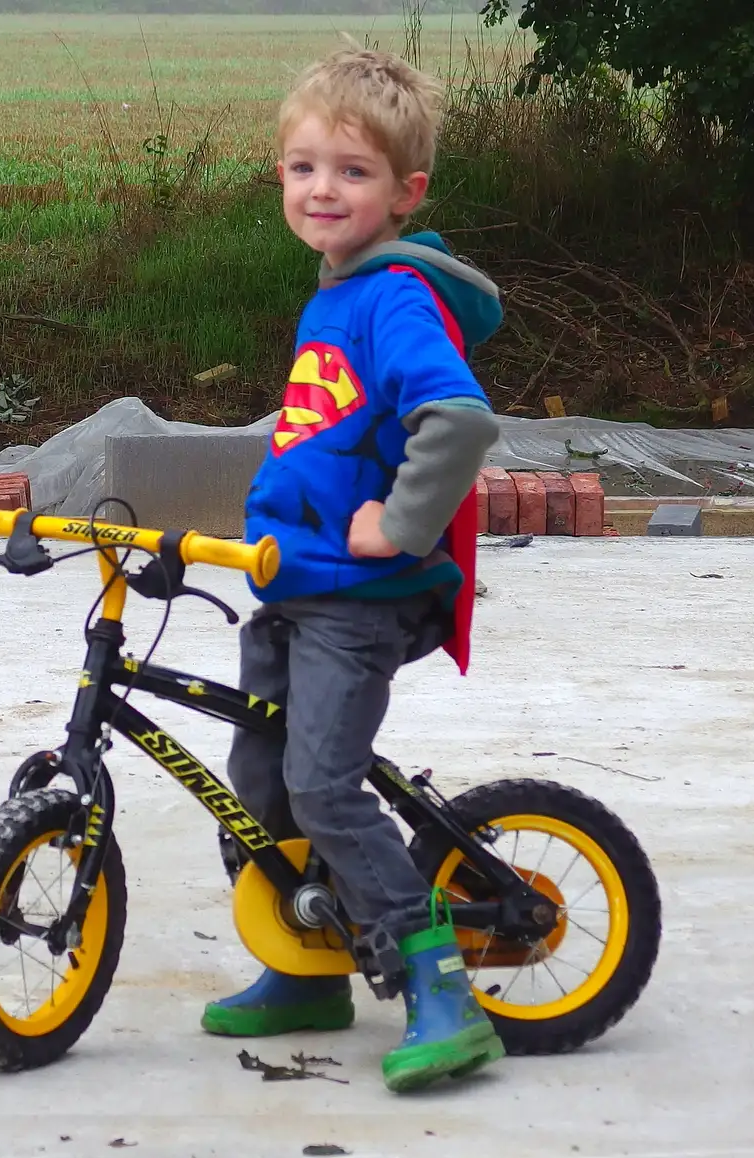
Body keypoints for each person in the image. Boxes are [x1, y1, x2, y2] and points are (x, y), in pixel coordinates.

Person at [200, 47, 505, 1093]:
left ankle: (441, 989)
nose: (321, 188)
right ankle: (306, 961)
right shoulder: (330, 297)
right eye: (301, 167)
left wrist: (401, 522)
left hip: (355, 598)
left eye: (351, 170)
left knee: (323, 785)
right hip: (292, 586)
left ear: (404, 193)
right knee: (256, 781)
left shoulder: (395, 296)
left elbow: (457, 416)